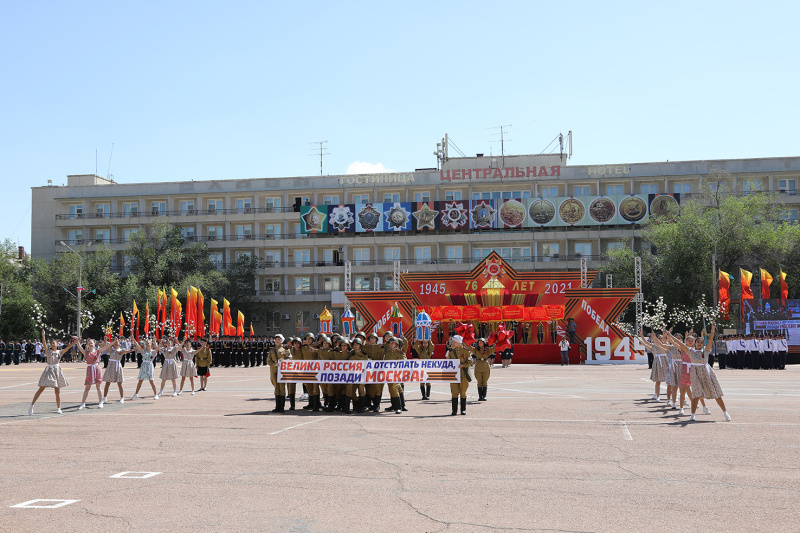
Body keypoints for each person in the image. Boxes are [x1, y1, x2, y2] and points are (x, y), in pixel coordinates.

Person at [685, 324, 732, 422]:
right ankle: (693, 414)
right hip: (696, 374)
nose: (699, 343)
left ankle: (725, 412)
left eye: (701, 342)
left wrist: (713, 329)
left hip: (707, 373)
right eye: (698, 342)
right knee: (696, 395)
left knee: (717, 394)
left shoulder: (706, 350)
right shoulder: (690, 351)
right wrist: (669, 336)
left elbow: (710, 340)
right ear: (694, 343)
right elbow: (679, 344)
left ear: (703, 344)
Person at [28, 330, 77, 415]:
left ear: (57, 344)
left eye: (54, 343)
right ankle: (32, 405)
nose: (52, 344)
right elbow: (44, 343)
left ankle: (59, 408)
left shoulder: (60, 352)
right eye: (51, 343)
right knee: (41, 388)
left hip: (57, 370)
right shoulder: (48, 351)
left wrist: (76, 341)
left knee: (57, 390)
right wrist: (43, 335)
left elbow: (69, 347)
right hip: (49, 371)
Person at [101, 338, 135, 404]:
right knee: (107, 382)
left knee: (119, 383)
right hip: (111, 366)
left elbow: (128, 351)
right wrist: (105, 340)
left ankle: (122, 398)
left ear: (119, 343)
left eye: (117, 342)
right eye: (115, 342)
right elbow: (106, 346)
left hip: (117, 366)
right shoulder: (111, 349)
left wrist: (134, 349)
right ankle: (104, 397)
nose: (116, 343)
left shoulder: (122, 350)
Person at [73, 337, 104, 409]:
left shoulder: (98, 351)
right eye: (89, 343)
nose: (90, 344)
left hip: (96, 369)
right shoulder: (86, 352)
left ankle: (100, 402)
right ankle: (82, 403)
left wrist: (112, 342)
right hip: (90, 370)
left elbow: (106, 347)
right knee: (87, 387)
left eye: (92, 343)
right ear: (87, 344)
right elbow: (80, 348)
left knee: (98, 386)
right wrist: (77, 341)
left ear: (94, 344)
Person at [447, 335, 475, 415]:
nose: (452, 343)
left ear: (459, 343)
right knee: (454, 392)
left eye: (454, 342)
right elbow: (448, 363)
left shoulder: (466, 351)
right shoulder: (451, 352)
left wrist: (463, 365)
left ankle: (463, 409)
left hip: (463, 375)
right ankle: (454, 410)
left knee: (463, 392)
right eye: (453, 342)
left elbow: (470, 362)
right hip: (454, 376)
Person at [267, 334, 289, 413]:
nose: (277, 340)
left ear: (282, 340)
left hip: (282, 371)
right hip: (274, 370)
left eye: (279, 339)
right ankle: (277, 407)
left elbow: (290, 358)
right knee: (276, 388)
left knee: (282, 388)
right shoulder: (272, 349)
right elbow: (268, 361)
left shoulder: (285, 349)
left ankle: (282, 407)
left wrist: (284, 361)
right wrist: (274, 364)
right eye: (276, 339)